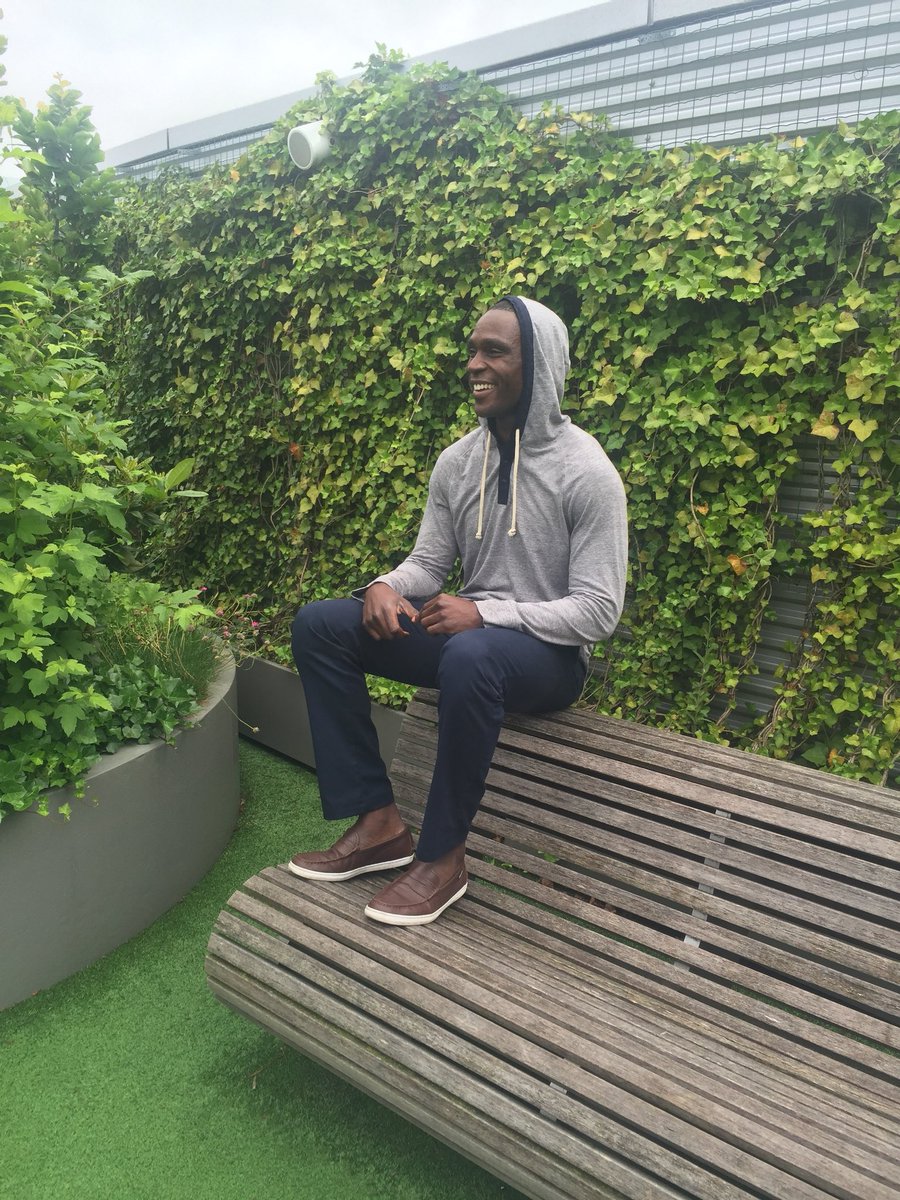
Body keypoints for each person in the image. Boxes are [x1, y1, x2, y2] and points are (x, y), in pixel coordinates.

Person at [289, 295, 627, 926]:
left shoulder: (587, 473)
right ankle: (379, 824)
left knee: (471, 652)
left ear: (538, 365)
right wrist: (385, 585)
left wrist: (488, 615)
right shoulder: (457, 461)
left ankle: (442, 858)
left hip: (549, 660)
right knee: (322, 625)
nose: (474, 364)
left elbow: (598, 612)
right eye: (472, 351)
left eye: (494, 352)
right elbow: (428, 563)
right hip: (471, 642)